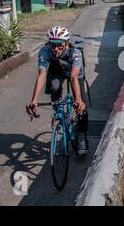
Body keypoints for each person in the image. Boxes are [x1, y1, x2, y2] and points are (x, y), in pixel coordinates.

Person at [26, 26, 89, 155]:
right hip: (57, 71)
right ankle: (58, 111)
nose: (56, 49)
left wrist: (78, 100)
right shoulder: (45, 51)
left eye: (60, 45)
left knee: (82, 107)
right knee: (54, 86)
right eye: (53, 45)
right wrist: (34, 100)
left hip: (74, 73)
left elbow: (73, 77)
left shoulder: (75, 52)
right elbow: (42, 75)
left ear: (66, 42)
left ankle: (82, 137)